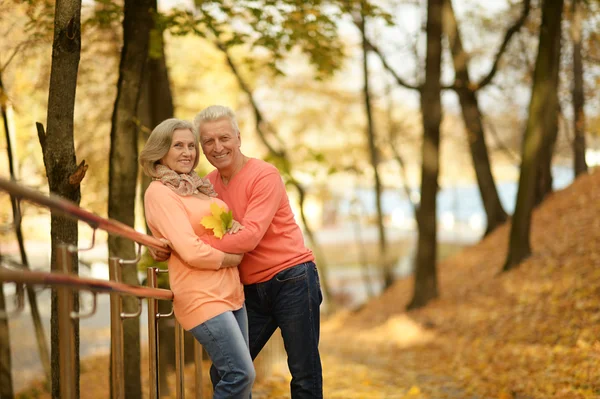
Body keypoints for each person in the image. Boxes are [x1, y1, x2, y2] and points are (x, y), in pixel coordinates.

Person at [151, 105, 323, 398]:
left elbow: (249, 237)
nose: (217, 147)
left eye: (224, 138)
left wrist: (189, 248)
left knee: (303, 372)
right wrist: (169, 245)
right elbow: (185, 222)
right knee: (226, 370)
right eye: (208, 141)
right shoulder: (207, 186)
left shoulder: (263, 175)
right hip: (249, 289)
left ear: (238, 138)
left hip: (292, 280)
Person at [140, 118, 255, 399]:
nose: (187, 152)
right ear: (161, 151)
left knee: (239, 381)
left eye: (191, 146)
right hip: (200, 295)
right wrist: (230, 257)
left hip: (231, 293)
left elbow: (226, 226)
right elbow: (189, 250)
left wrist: (233, 231)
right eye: (178, 145)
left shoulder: (197, 187)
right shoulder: (160, 192)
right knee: (240, 374)